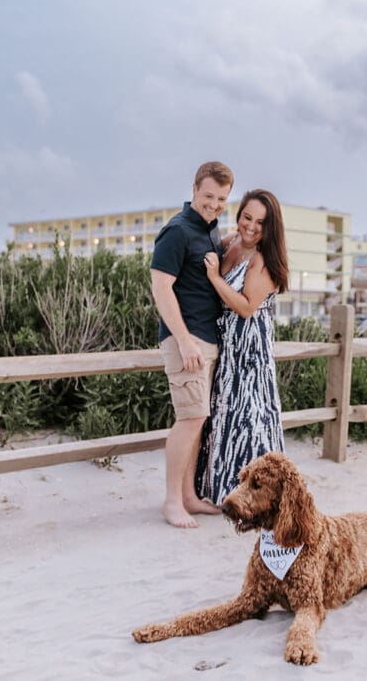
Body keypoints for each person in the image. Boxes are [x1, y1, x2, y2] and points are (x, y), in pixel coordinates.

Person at [149, 161, 234, 528]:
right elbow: (160, 286)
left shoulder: (211, 230)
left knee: (199, 420)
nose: (214, 204)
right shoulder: (178, 231)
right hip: (187, 340)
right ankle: (171, 501)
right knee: (190, 418)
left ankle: (188, 496)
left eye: (221, 199)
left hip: (206, 339)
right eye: (209, 196)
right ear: (195, 190)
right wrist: (183, 341)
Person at [195, 189, 289, 506]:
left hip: (250, 350)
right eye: (247, 217)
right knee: (224, 414)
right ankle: (220, 488)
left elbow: (247, 307)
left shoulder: (263, 260)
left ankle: (258, 499)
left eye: (260, 222)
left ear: (270, 227)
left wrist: (212, 275)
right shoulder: (231, 242)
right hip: (228, 347)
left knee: (250, 418)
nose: (250, 226)